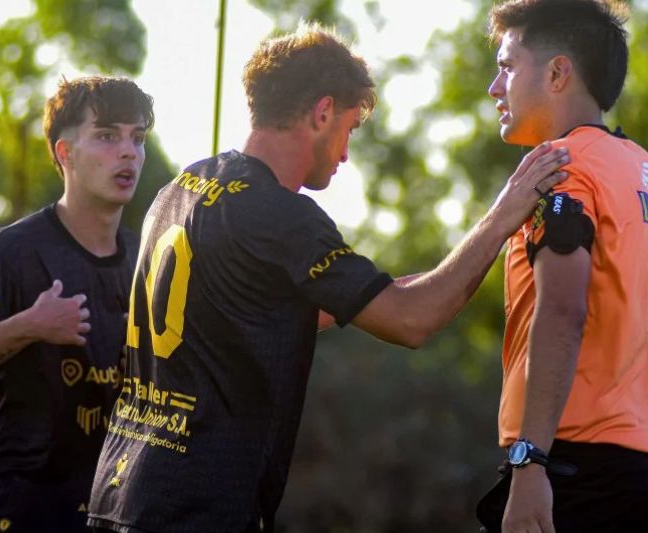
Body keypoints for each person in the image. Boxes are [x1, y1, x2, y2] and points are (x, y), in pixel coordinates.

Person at [86, 23, 568, 532]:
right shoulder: (281, 215)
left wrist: (385, 292)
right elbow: (413, 320)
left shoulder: (181, 186)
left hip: (118, 491)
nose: (345, 153)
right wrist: (503, 215)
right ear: (322, 113)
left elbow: (253, 313)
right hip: (197, 507)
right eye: (349, 128)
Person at [475, 1, 648, 532]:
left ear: (558, 72)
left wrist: (530, 461)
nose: (495, 87)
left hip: (569, 474)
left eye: (507, 67)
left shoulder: (560, 170)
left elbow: (562, 311)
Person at [0, 76, 153, 532]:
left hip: (109, 513)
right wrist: (29, 325)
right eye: (107, 136)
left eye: (138, 138)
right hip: (14, 511)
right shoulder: (12, 252)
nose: (128, 152)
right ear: (66, 153)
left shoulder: (147, 259)